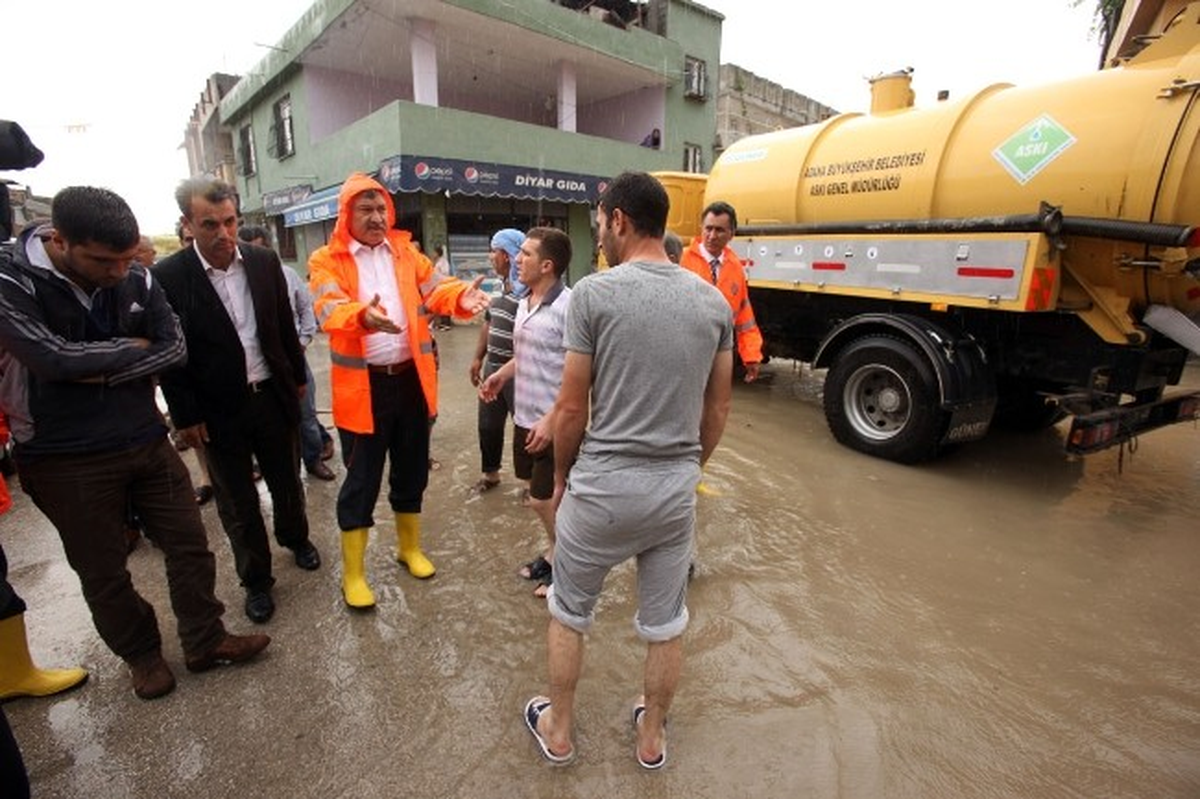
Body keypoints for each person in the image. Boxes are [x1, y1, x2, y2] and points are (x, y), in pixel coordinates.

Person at [0, 186, 270, 700]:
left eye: (127, 259)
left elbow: (173, 350)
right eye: (104, 261)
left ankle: (205, 639)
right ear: (61, 241)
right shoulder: (12, 281)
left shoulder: (139, 277)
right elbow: (49, 359)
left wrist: (88, 370)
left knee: (190, 544)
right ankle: (142, 655)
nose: (120, 272)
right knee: (103, 570)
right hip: (62, 455)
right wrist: (128, 349)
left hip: (145, 438)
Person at [521, 171, 732, 768]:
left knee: (569, 613)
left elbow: (570, 409)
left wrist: (562, 478)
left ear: (618, 220)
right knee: (665, 624)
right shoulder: (712, 303)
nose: (599, 235)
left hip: (602, 486)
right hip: (673, 493)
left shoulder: (593, 295)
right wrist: (687, 468)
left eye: (600, 222)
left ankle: (559, 731)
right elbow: (717, 409)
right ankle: (651, 739)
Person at [308, 172, 490, 608]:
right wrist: (361, 316)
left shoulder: (405, 253)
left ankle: (409, 549)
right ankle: (354, 575)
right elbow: (328, 309)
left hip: (410, 381)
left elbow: (436, 289)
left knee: (411, 470)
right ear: (346, 214)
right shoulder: (326, 259)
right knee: (361, 480)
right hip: (363, 388)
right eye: (365, 209)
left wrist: (461, 297)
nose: (376, 217)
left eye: (381, 209)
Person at [156, 178, 321, 626]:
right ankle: (256, 579)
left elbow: (282, 325)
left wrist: (296, 379)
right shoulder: (169, 277)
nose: (224, 233)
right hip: (217, 410)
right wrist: (185, 414)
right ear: (188, 224)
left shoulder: (264, 262)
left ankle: (296, 539)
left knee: (287, 480)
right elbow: (170, 354)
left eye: (229, 221)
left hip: (271, 395)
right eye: (210, 224)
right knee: (237, 500)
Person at [479, 228, 572, 598]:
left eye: (526, 254)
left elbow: (581, 372)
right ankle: (554, 552)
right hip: (525, 416)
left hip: (556, 421)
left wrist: (552, 419)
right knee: (539, 496)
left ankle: (567, 566)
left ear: (547, 265)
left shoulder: (569, 307)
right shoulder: (524, 302)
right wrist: (501, 375)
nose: (517, 259)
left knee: (544, 499)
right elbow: (526, 354)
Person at [238, 225, 336, 481]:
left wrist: (301, 341)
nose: (253, 255)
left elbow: (306, 310)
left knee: (306, 413)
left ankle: (313, 459)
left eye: (259, 248)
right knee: (271, 419)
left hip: (293, 358)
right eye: (247, 249)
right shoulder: (235, 282)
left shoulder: (288, 275)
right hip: (258, 365)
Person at [679, 201, 764, 382]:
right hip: (683, 354)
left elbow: (745, 318)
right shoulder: (681, 260)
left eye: (719, 230)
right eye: (708, 229)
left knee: (718, 400)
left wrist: (751, 356)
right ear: (701, 228)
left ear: (731, 234)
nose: (712, 236)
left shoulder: (736, 269)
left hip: (718, 355)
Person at [468, 228, 525, 496]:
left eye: (494, 251)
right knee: (488, 425)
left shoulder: (528, 292)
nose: (490, 257)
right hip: (492, 366)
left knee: (524, 426)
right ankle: (490, 475)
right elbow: (488, 323)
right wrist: (478, 358)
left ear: (507, 255)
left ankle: (529, 483)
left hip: (518, 371)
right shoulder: (499, 288)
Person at [432, 244, 453, 331]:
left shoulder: (443, 262)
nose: (433, 254)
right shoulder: (438, 262)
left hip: (444, 285)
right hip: (439, 286)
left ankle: (446, 324)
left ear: (438, 253)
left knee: (445, 305)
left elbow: (445, 273)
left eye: (434, 252)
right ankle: (442, 323)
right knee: (441, 305)